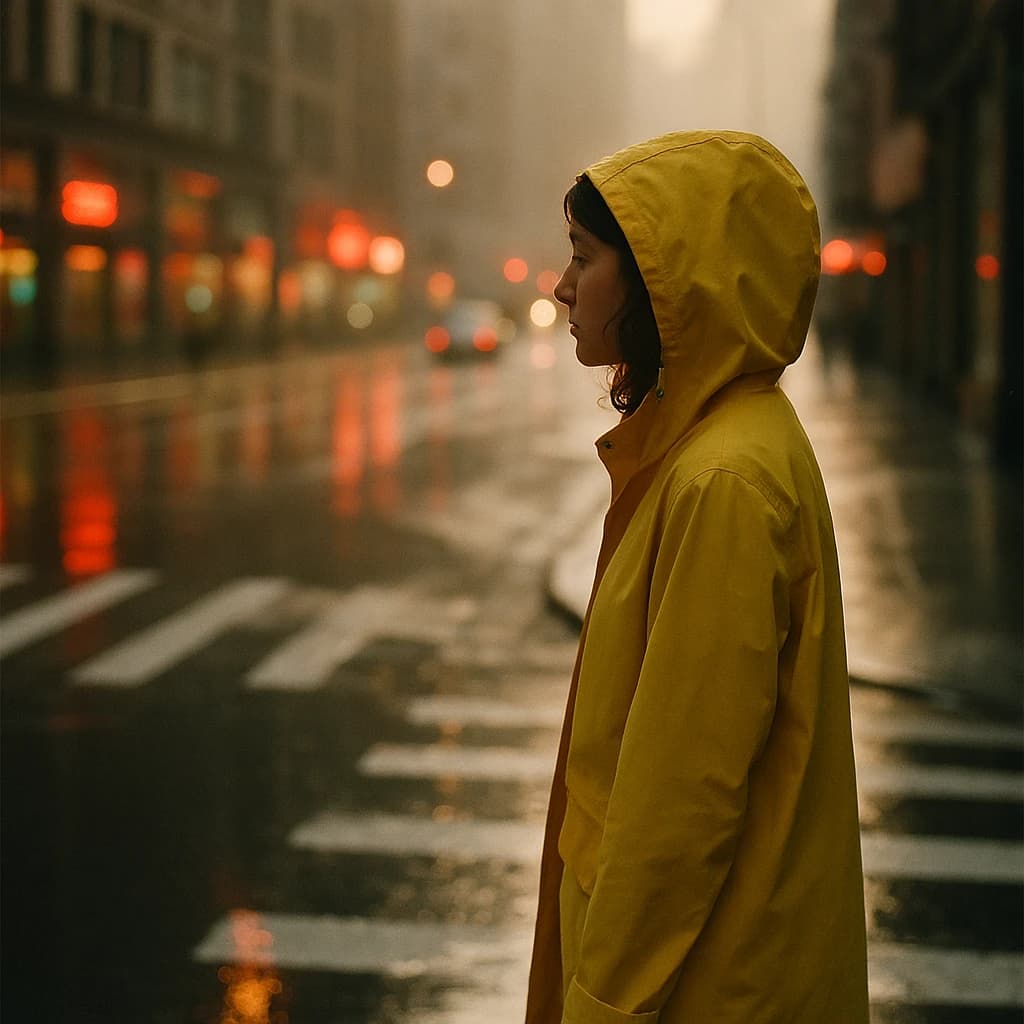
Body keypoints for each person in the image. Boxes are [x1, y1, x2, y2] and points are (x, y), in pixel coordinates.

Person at [525, 130, 869, 1023]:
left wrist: (601, 1006)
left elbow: (678, 809)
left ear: (661, 284)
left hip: (703, 993)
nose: (562, 286)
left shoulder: (722, 481)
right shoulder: (719, 451)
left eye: (583, 258)